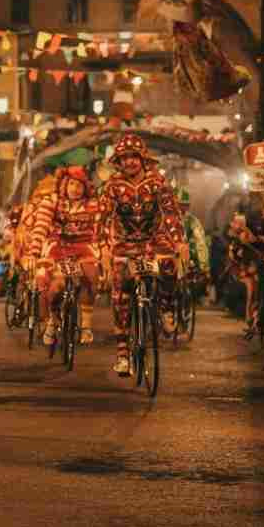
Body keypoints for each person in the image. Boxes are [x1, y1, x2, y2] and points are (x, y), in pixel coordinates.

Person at [98, 134, 188, 375]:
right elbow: (104, 219)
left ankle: (167, 307)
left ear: (142, 159)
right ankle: (123, 354)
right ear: (119, 161)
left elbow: (170, 214)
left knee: (169, 264)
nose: (129, 162)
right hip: (125, 244)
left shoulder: (158, 183)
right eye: (124, 158)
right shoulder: (112, 186)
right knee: (120, 293)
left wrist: (179, 242)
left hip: (153, 241)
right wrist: (104, 248)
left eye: (133, 157)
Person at [26, 166, 102, 346]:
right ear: (64, 185)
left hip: (84, 247)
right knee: (51, 283)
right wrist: (34, 252)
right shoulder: (51, 201)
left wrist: (104, 251)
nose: (75, 189)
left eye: (79, 186)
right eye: (72, 184)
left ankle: (86, 326)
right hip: (57, 247)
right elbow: (41, 227)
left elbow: (100, 229)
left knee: (91, 275)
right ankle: (52, 319)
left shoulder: (93, 205)